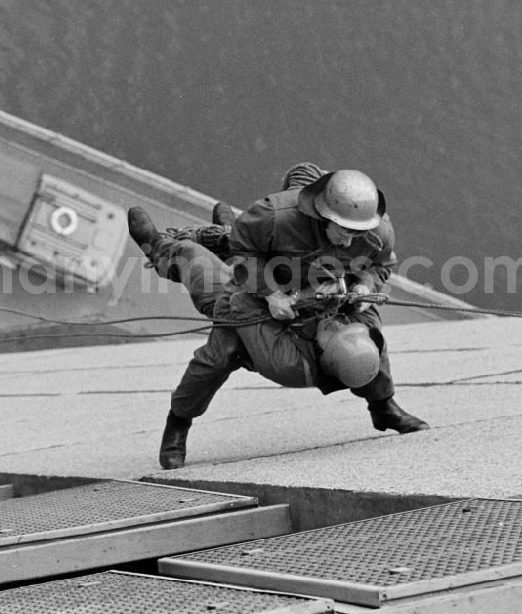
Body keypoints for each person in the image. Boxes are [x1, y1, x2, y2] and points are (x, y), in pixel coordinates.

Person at [128, 163, 430, 470]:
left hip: (253, 297)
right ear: (323, 214)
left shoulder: (285, 360)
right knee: (280, 205)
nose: (351, 242)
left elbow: (240, 294)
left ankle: (160, 248)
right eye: (345, 232)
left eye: (358, 235)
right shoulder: (298, 219)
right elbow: (379, 265)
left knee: (217, 348)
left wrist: (272, 296)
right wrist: (359, 286)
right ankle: (385, 406)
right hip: (281, 272)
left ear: (326, 350)